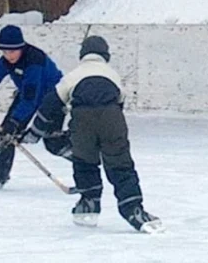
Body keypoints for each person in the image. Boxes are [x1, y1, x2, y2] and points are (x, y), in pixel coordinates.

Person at [29, 35, 162, 233]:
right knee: (120, 165)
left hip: (82, 120)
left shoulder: (74, 75)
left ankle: (88, 204)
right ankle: (133, 209)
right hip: (112, 117)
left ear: (82, 55)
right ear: (105, 55)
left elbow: (51, 103)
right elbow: (120, 101)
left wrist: (36, 131)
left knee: (85, 161)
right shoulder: (112, 74)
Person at [0, 24, 68, 189]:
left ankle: (85, 159)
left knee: (53, 142)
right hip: (29, 93)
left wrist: (16, 121)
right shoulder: (8, 61)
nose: (8, 56)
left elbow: (31, 100)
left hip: (54, 97)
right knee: (6, 131)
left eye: (12, 51)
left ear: (21, 47)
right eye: (4, 52)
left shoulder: (34, 61)